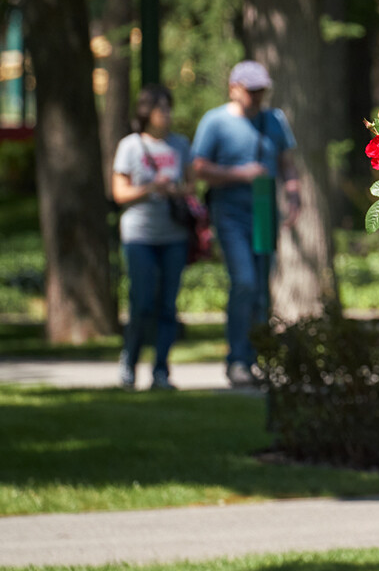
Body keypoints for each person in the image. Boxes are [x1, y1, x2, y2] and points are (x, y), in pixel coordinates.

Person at [192, 60, 299, 387]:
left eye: (261, 90)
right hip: (230, 214)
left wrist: (294, 196)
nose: (256, 96)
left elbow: (287, 164)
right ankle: (237, 359)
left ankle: (256, 360)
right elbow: (197, 167)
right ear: (234, 88)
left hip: (264, 214)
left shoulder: (274, 120)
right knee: (244, 282)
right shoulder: (215, 122)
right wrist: (239, 174)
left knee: (262, 292)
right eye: (251, 90)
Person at [112, 85, 193, 391]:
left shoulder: (180, 145)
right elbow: (119, 193)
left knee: (168, 306)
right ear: (147, 112)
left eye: (170, 108)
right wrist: (150, 188)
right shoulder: (130, 146)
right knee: (142, 303)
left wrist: (175, 190)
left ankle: (161, 370)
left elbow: (191, 186)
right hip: (139, 236)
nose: (168, 115)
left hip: (173, 235)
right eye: (162, 109)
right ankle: (129, 364)